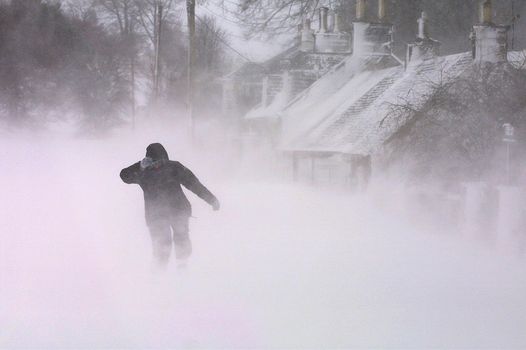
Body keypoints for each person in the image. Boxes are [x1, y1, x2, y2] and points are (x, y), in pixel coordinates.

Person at [120, 143, 220, 267]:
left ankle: (182, 269)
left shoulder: (174, 167)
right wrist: (140, 166)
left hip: (178, 211)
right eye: (154, 162)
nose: (157, 165)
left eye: (160, 162)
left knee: (182, 240)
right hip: (156, 216)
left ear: (165, 159)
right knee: (161, 246)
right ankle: (158, 277)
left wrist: (212, 200)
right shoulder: (143, 171)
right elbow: (124, 175)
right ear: (148, 161)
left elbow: (194, 185)